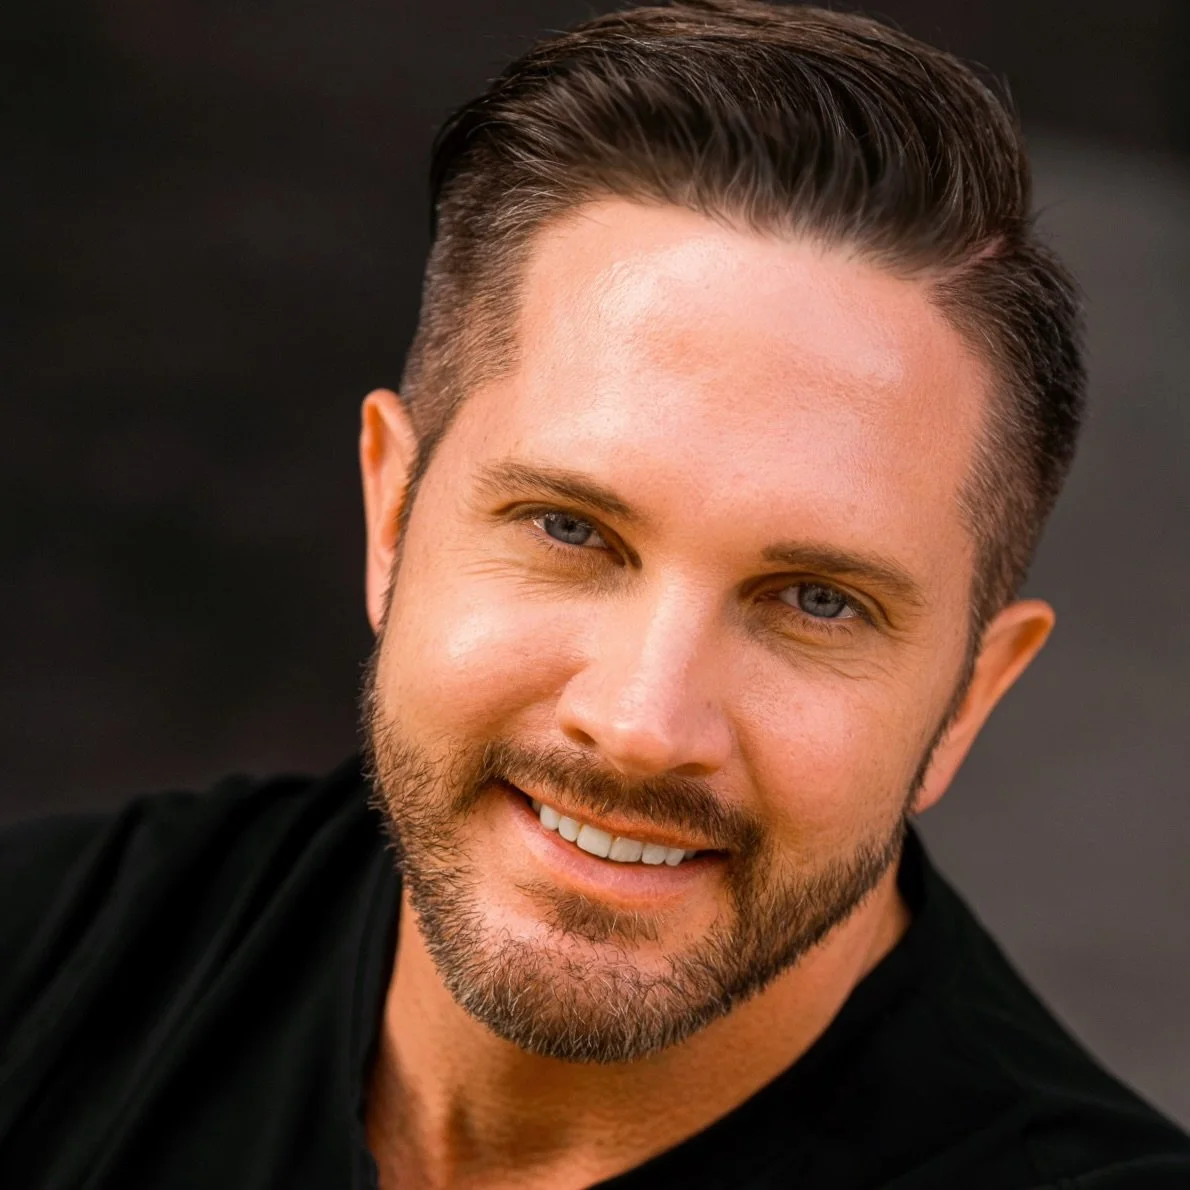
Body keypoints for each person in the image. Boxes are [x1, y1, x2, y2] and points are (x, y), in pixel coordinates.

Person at [2, 1, 1187, 1186]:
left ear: (967, 697)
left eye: (816, 600)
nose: (639, 725)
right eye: (569, 529)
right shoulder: (40, 962)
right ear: (393, 515)